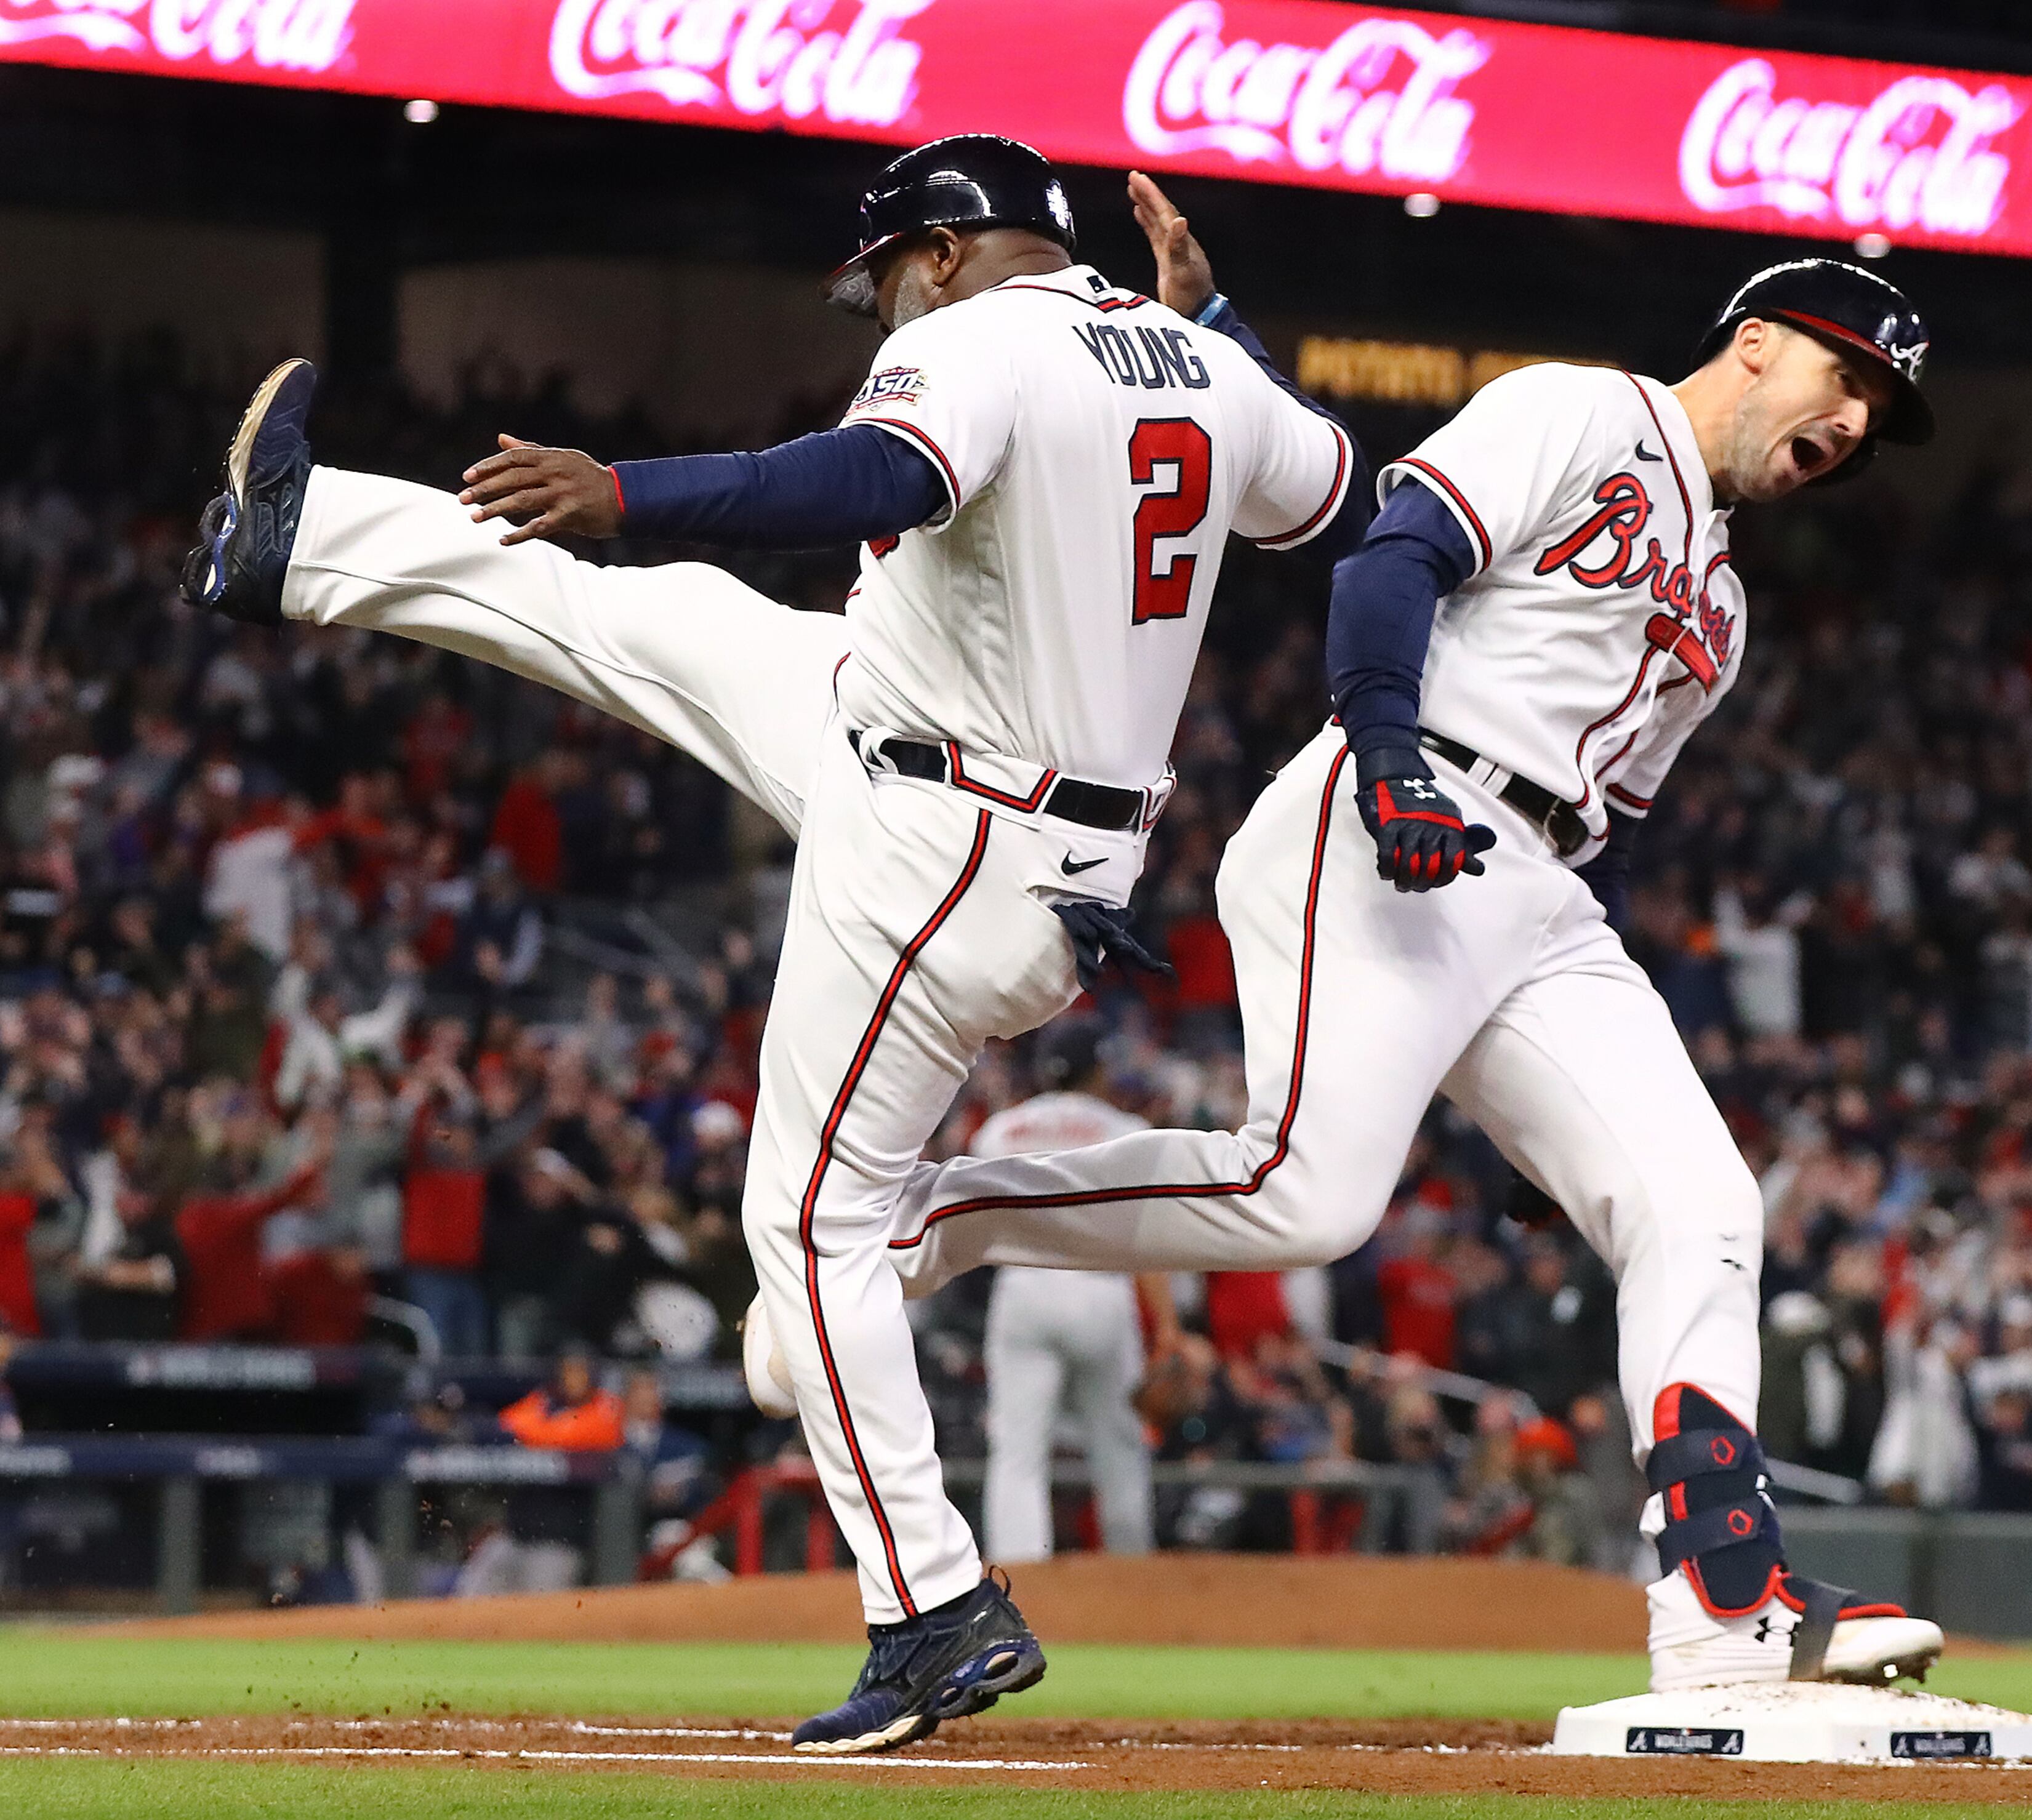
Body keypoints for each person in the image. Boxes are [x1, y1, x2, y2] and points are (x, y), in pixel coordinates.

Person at [182, 138, 1367, 1753]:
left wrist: (631, 483)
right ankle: (300, 541)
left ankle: (932, 1607)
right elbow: (1334, 491)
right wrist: (1213, 314)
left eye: (887, 273)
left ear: (946, 252)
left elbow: (880, 479)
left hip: (952, 835)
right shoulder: (1212, 370)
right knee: (639, 617)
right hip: (957, 766)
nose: (878, 304)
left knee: (804, 1216)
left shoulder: (972, 336)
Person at [878, 259, 1951, 1692]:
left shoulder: (1724, 604)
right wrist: (1384, 750)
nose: (1856, 422)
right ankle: (940, 1214)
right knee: (1300, 1201)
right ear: (1755, 345)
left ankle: (1720, 1594)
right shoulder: (1581, 411)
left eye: (1879, 408)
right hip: (1399, 810)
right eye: (1850, 379)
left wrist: (1552, 1121)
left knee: (1695, 1203)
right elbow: (1397, 554)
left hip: (1546, 896)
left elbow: (1613, 828)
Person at [970, 1019, 1177, 1565]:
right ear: (1098, 1068)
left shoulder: (1000, 1130)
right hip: (1101, 1291)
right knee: (1119, 1447)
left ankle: (1019, 1575)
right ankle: (1131, 1572)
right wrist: (1170, 1326)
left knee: (1018, 1453)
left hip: (1024, 1288)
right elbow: (1146, 1236)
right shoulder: (1128, 1128)